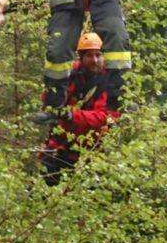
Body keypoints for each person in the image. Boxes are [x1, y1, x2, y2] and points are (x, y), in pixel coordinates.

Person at [39, 32, 120, 185]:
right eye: (89, 55)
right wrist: (50, 108)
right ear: (81, 57)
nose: (95, 60)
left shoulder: (110, 83)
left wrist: (72, 115)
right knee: (43, 193)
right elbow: (52, 97)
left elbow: (105, 117)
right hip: (60, 147)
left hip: (90, 152)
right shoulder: (71, 74)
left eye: (98, 55)